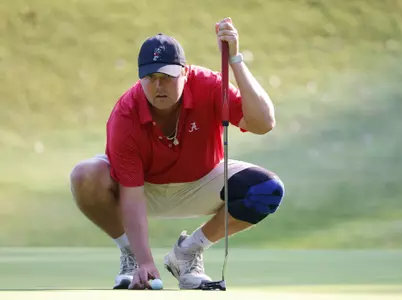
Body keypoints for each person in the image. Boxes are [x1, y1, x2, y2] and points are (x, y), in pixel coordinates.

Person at [69, 17, 285, 290]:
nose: (158, 86)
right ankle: (130, 258)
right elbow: (132, 196)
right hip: (145, 189)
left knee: (266, 190)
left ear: (185, 72)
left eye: (167, 77)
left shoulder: (207, 86)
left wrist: (235, 61)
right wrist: (145, 259)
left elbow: (264, 123)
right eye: (151, 78)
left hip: (202, 180)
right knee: (84, 176)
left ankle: (188, 252)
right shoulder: (126, 114)